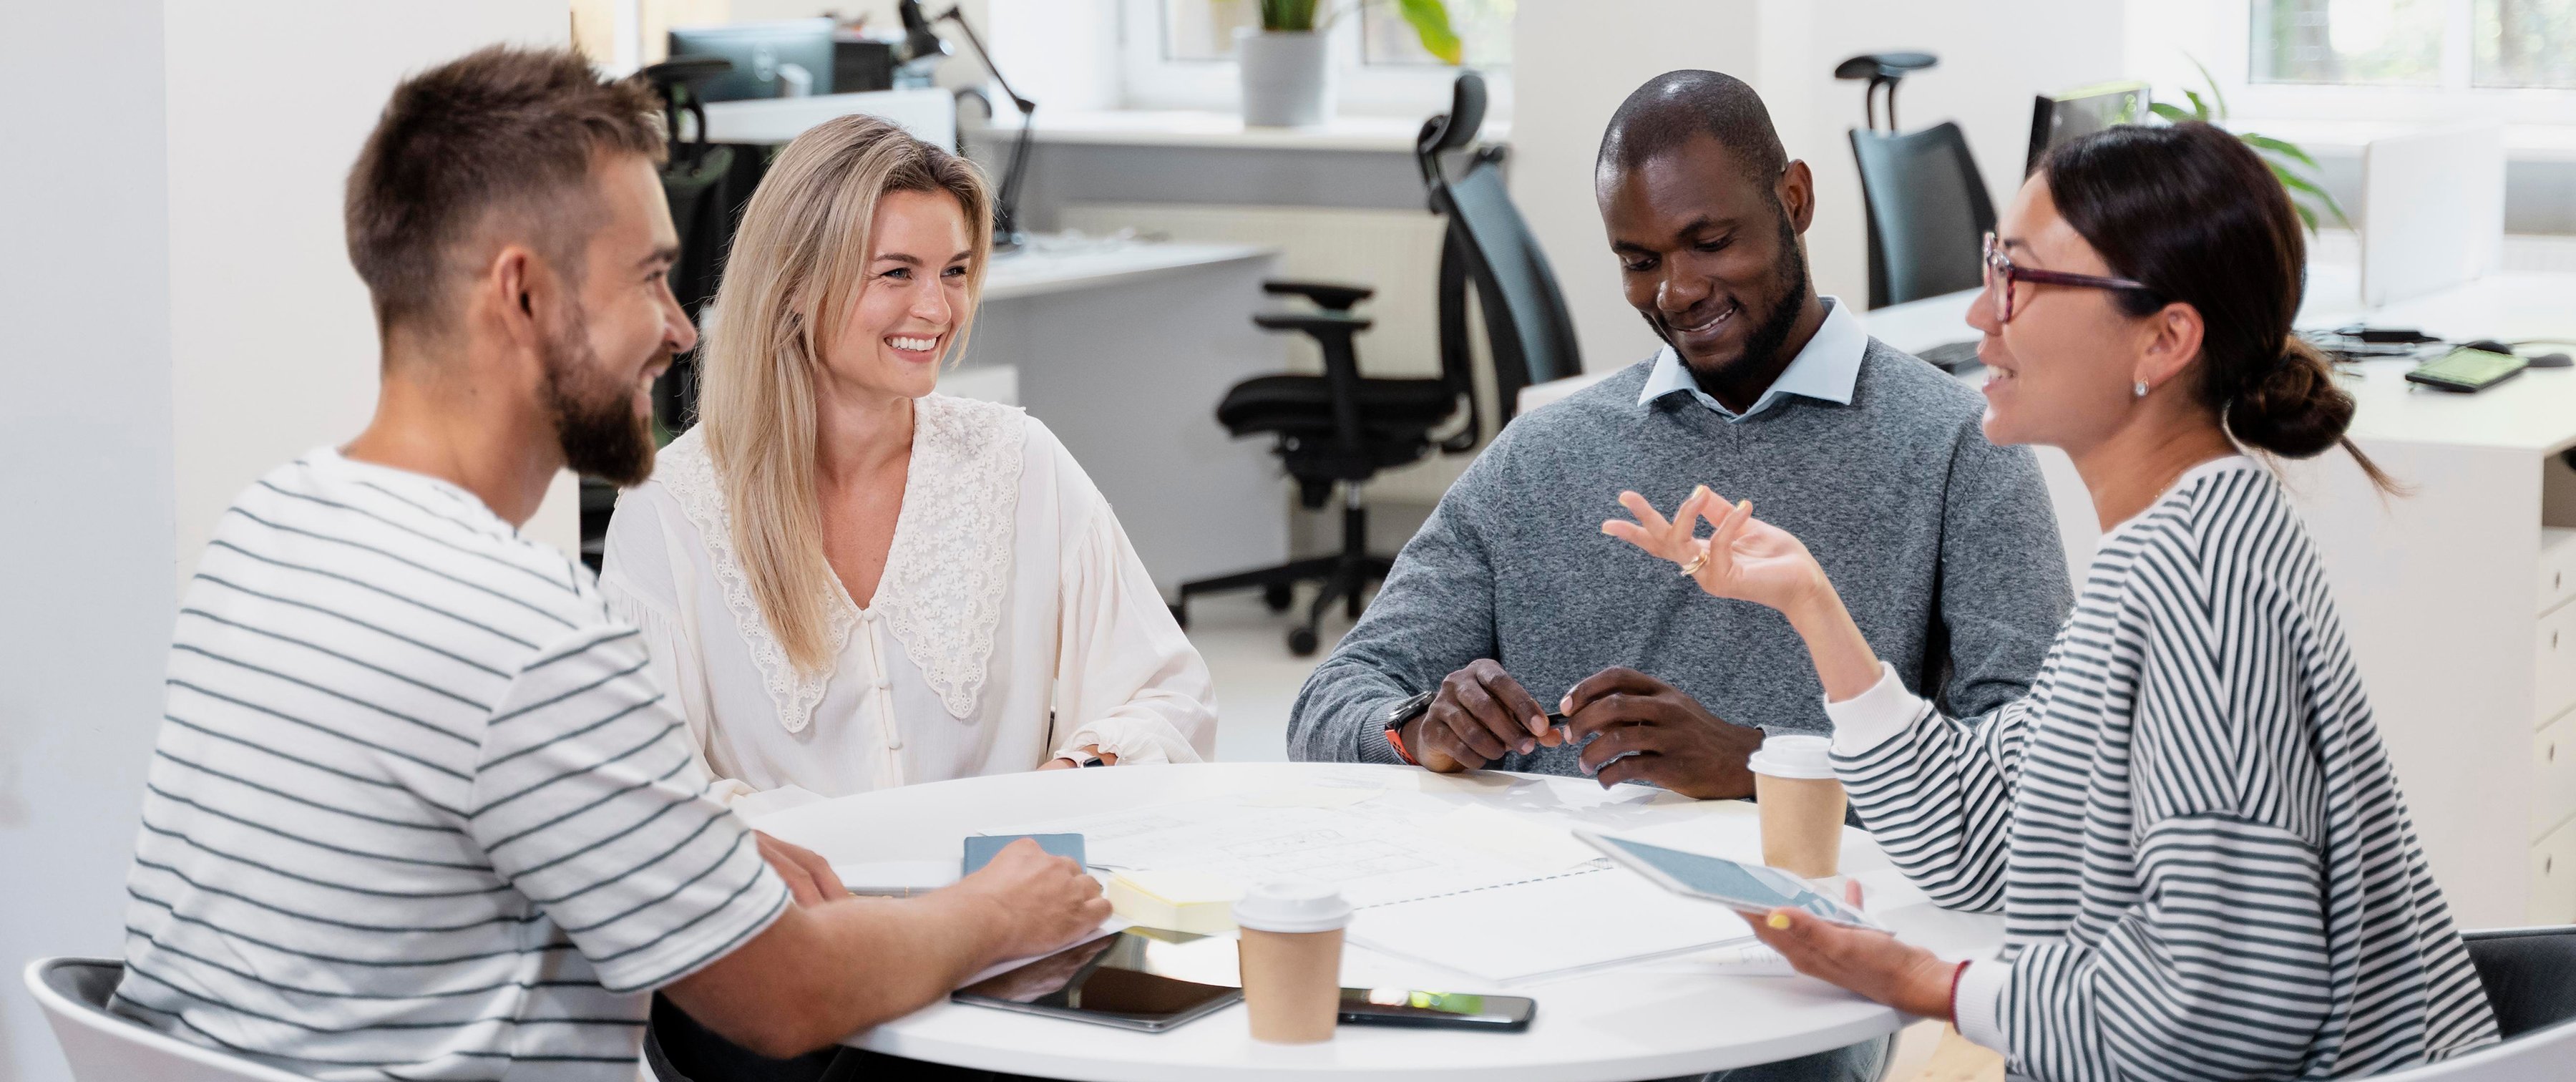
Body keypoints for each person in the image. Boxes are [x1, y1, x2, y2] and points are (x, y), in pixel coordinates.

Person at [113, 47, 1108, 1080]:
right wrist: (995, 911)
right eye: (647, 280)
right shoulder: (527, 633)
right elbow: (787, 996)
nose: (681, 331)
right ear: (524, 295)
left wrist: (691, 850)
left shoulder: (270, 532)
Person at [1607, 122, 2501, 1079]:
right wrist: (1816, 608)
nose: (1981, 320)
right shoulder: (2168, 550)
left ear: (2164, 339)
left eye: (2021, 280)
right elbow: (1981, 832)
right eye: (1994, 267)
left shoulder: (2200, 584)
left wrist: (1928, 985)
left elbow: (2227, 1004)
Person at [1287, 69, 2069, 800]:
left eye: (1711, 242)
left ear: (1794, 199)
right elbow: (1328, 707)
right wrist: (1419, 728)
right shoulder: (1542, 457)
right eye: (1639, 260)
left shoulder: (1960, 445)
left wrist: (1754, 765)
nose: (1678, 291)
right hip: (1550, 910)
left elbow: (2036, 767)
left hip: (1817, 913)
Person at [600, 114, 1215, 814]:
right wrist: (848, 856)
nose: (937, 308)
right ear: (794, 284)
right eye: (897, 273)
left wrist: (1071, 776)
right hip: (800, 916)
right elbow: (644, 792)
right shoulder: (672, 507)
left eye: (954, 272)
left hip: (996, 903)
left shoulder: (1018, 463)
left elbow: (1166, 696)